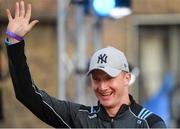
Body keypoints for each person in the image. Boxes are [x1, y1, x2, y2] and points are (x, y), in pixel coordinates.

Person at [5, 1, 166, 128]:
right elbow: (28, 95)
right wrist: (14, 43)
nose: (102, 87)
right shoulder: (79, 118)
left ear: (127, 78)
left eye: (109, 78)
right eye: (96, 79)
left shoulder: (150, 124)